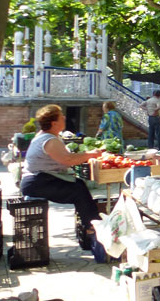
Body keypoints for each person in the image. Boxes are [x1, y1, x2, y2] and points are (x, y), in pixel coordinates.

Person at [20, 105, 102, 251]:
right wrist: (91, 154)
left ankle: (90, 224)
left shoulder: (48, 137)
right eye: (61, 116)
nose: (64, 117)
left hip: (41, 179)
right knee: (78, 190)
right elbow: (67, 160)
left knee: (79, 185)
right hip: (37, 182)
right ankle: (92, 227)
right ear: (53, 123)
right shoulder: (49, 140)